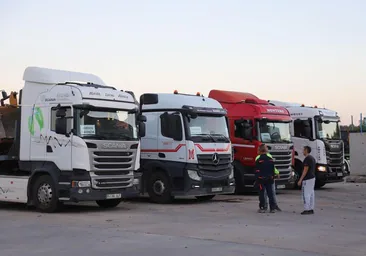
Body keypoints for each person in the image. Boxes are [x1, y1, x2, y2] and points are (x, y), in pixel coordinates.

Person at [297, 146, 316, 215]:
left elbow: (305, 170)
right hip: (312, 178)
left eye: (303, 150)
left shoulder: (307, 159)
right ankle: (311, 208)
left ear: (306, 150)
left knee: (306, 194)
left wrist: (300, 180)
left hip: (307, 179)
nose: (302, 151)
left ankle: (306, 209)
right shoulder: (312, 158)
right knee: (311, 193)